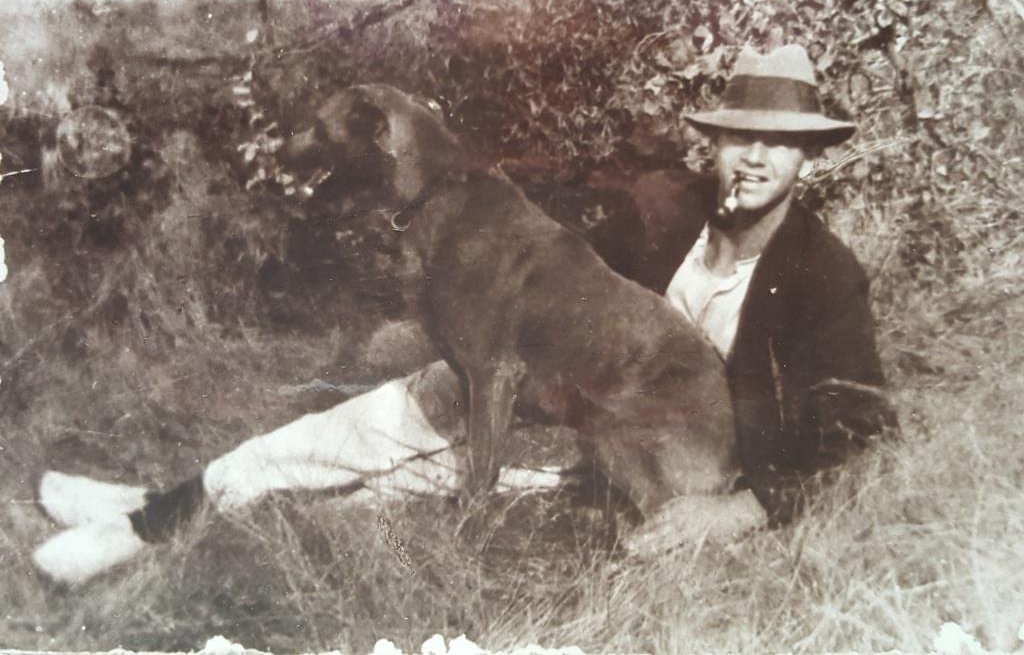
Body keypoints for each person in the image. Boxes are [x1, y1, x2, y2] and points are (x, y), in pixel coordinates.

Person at [33, 44, 898, 584]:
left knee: (348, 501)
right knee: (325, 439)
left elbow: (857, 420)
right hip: (533, 401)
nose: (752, 156)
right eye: (738, 135)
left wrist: (736, 511)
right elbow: (541, 275)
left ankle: (151, 518)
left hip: (624, 456)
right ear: (712, 141)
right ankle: (147, 515)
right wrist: (436, 320)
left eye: (778, 142)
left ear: (809, 158)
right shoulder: (664, 209)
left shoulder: (823, 275)